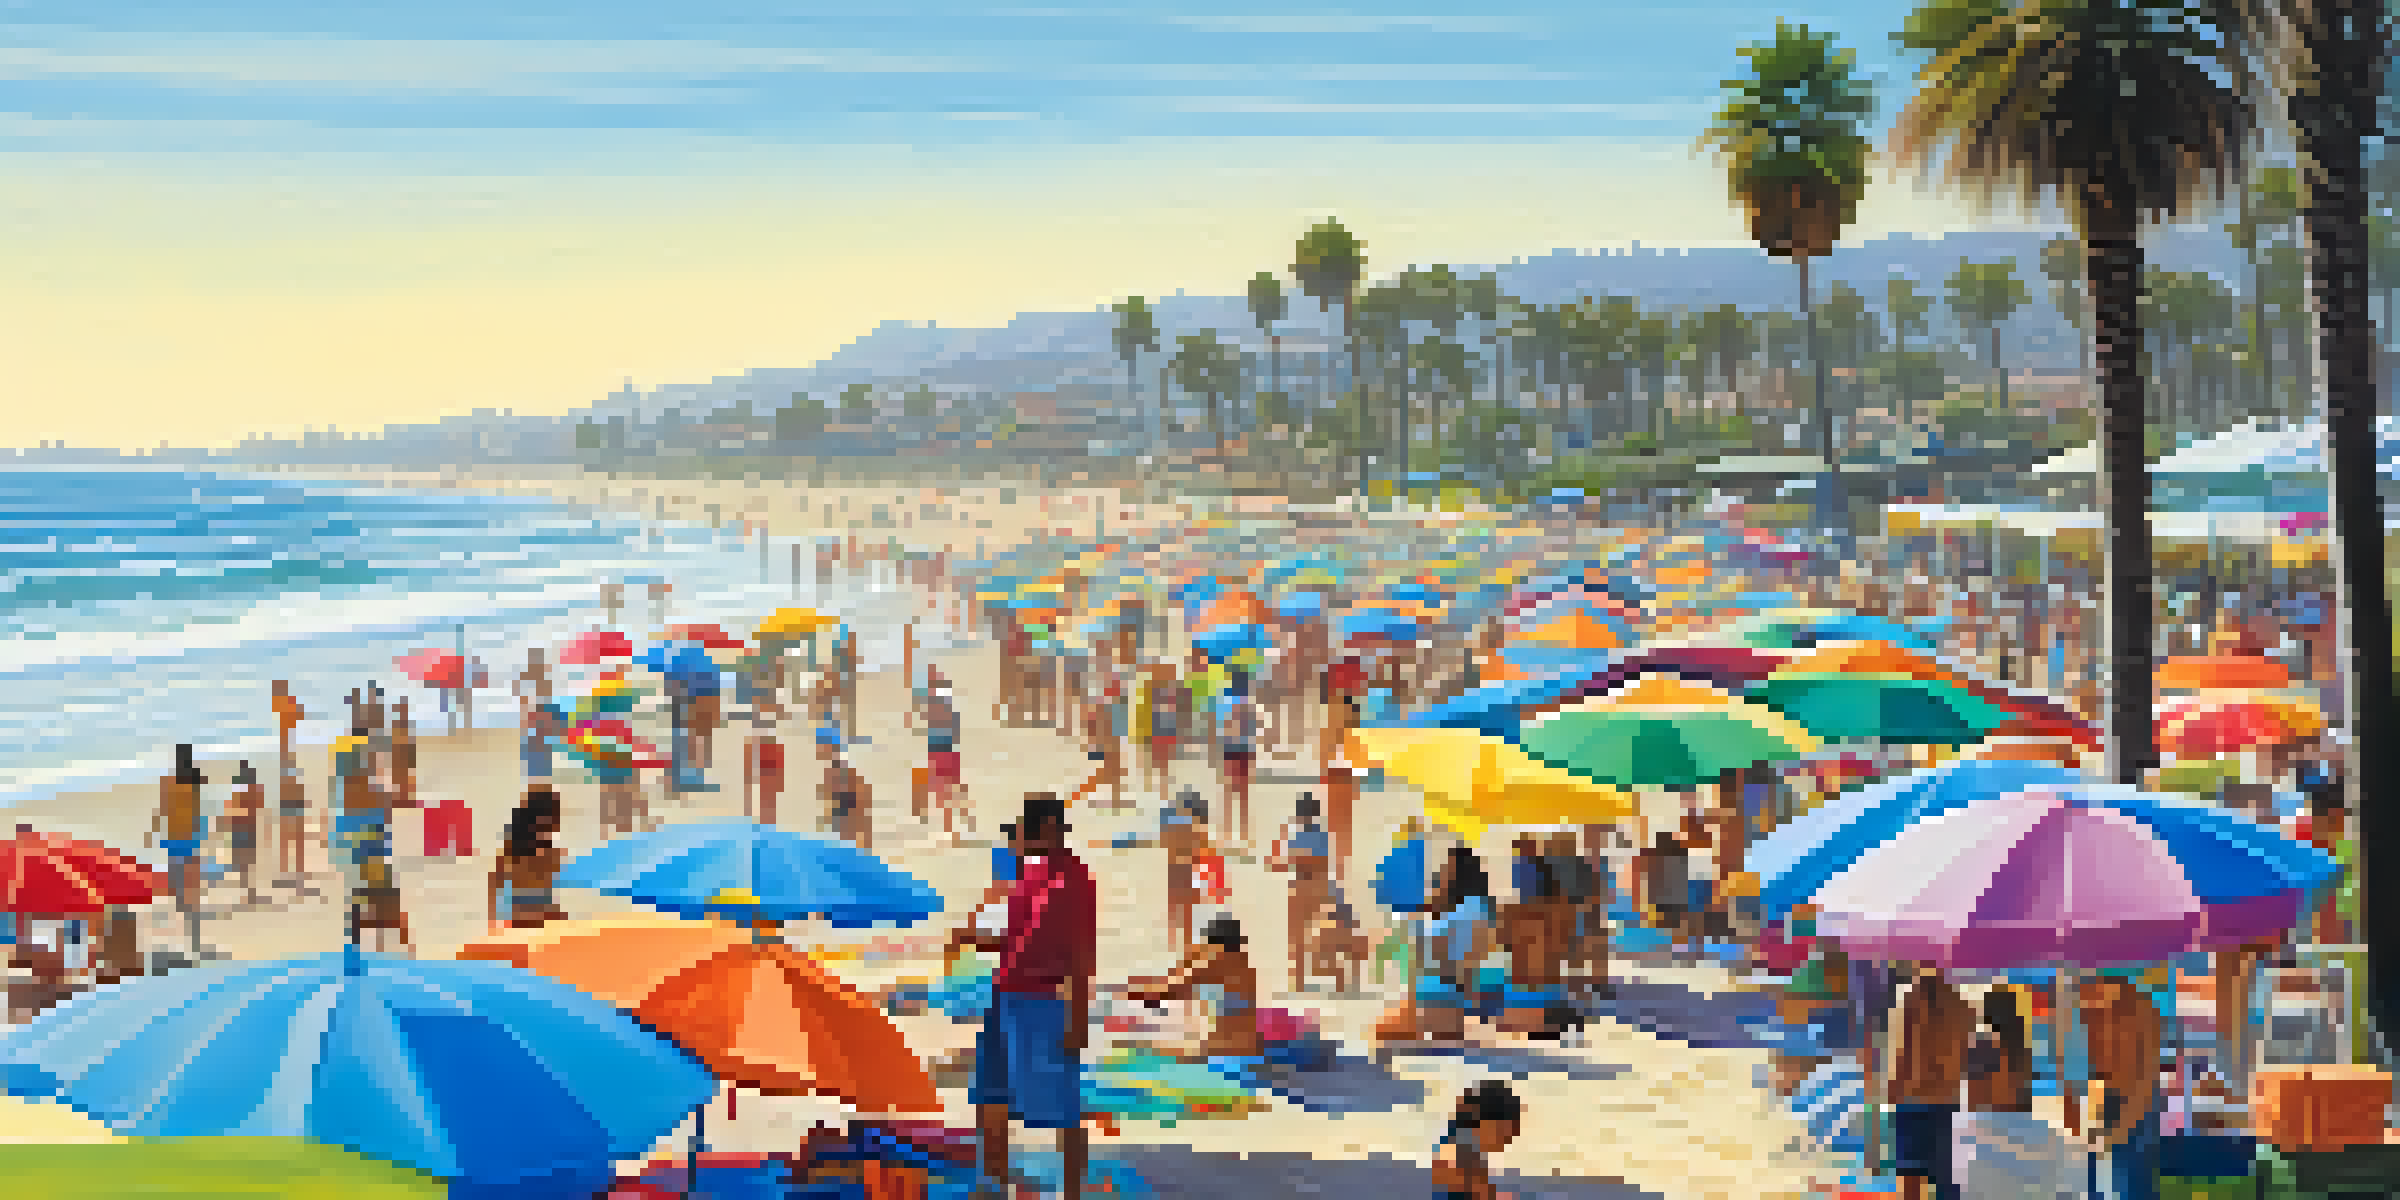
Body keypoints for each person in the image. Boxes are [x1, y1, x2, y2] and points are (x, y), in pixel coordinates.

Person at [952, 794, 1098, 1200]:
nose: (1022, 841)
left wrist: (1079, 1018)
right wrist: (980, 940)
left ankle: (1072, 1192)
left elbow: (1083, 956)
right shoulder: (1031, 876)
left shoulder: (1075, 883)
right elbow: (1019, 937)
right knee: (990, 1094)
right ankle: (992, 1183)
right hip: (1004, 994)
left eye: (1028, 833)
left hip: (1045, 1001)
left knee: (1062, 1106)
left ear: (1049, 831)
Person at [1125, 915, 1265, 1066]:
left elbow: (1173, 990)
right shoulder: (1245, 967)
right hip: (1249, 1048)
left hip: (1226, 1051)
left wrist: (1136, 993)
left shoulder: (1217, 962)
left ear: (1216, 945)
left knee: (1144, 1053)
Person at [1888, 964, 1974, 1200]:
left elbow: (1901, 1055)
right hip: (1947, 1099)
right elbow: (1964, 1056)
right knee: (1946, 1178)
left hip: (1912, 1099)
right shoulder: (1961, 1003)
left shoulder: (1908, 998)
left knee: (1911, 1178)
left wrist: (1892, 1093)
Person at [2074, 976, 2163, 1200]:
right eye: (2090, 1018)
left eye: (2113, 1017)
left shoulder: (2175, 1122)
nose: (2097, 1031)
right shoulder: (2084, 1117)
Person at [1266, 793, 1336, 992]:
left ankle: (1299, 979)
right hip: (1317, 888)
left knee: (1299, 936)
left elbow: (1289, 863)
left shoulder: (1301, 837)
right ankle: (1303, 977)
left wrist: (1288, 856)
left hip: (1304, 887)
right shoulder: (1320, 835)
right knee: (1313, 936)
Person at [1431, 1079, 1522, 1200]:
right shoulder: (1453, 1156)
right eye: (1506, 1134)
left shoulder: (1469, 1153)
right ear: (1486, 1123)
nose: (1510, 1139)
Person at [488, 800, 568, 930]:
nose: (555, 827)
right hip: (524, 918)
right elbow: (496, 879)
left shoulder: (548, 852)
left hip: (534, 917)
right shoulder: (537, 853)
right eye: (553, 821)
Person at [152, 745, 207, 914]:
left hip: (174, 830)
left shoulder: (168, 781)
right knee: (189, 867)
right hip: (190, 830)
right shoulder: (195, 779)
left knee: (176, 868)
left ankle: (181, 901)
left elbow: (163, 808)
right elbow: (198, 807)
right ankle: (191, 901)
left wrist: (156, 828)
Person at [1161, 788, 1214, 951]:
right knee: (1184, 905)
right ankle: (1182, 942)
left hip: (1183, 868)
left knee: (1183, 905)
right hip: (1184, 868)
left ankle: (1181, 941)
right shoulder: (1185, 825)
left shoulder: (1174, 823)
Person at [1217, 676, 1262, 845]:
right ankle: (1242, 831)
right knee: (1241, 793)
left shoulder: (1228, 704)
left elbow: (1223, 729)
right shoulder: (1248, 706)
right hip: (1242, 751)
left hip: (1233, 750)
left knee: (1232, 791)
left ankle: (1232, 831)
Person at [818, 726, 872, 849]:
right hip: (843, 819)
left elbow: (860, 799)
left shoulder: (844, 770)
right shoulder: (833, 769)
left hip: (849, 817)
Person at [225, 761, 264, 904]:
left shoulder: (239, 788)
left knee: (243, 860)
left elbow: (230, 808)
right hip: (247, 827)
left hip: (241, 826)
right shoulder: (253, 789)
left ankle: (246, 891)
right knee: (247, 860)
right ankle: (248, 891)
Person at [745, 713, 786, 827]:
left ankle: (767, 822)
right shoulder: (754, 745)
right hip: (764, 775)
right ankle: (761, 822)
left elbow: (779, 763)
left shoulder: (775, 746)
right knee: (761, 800)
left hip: (769, 776)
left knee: (768, 801)